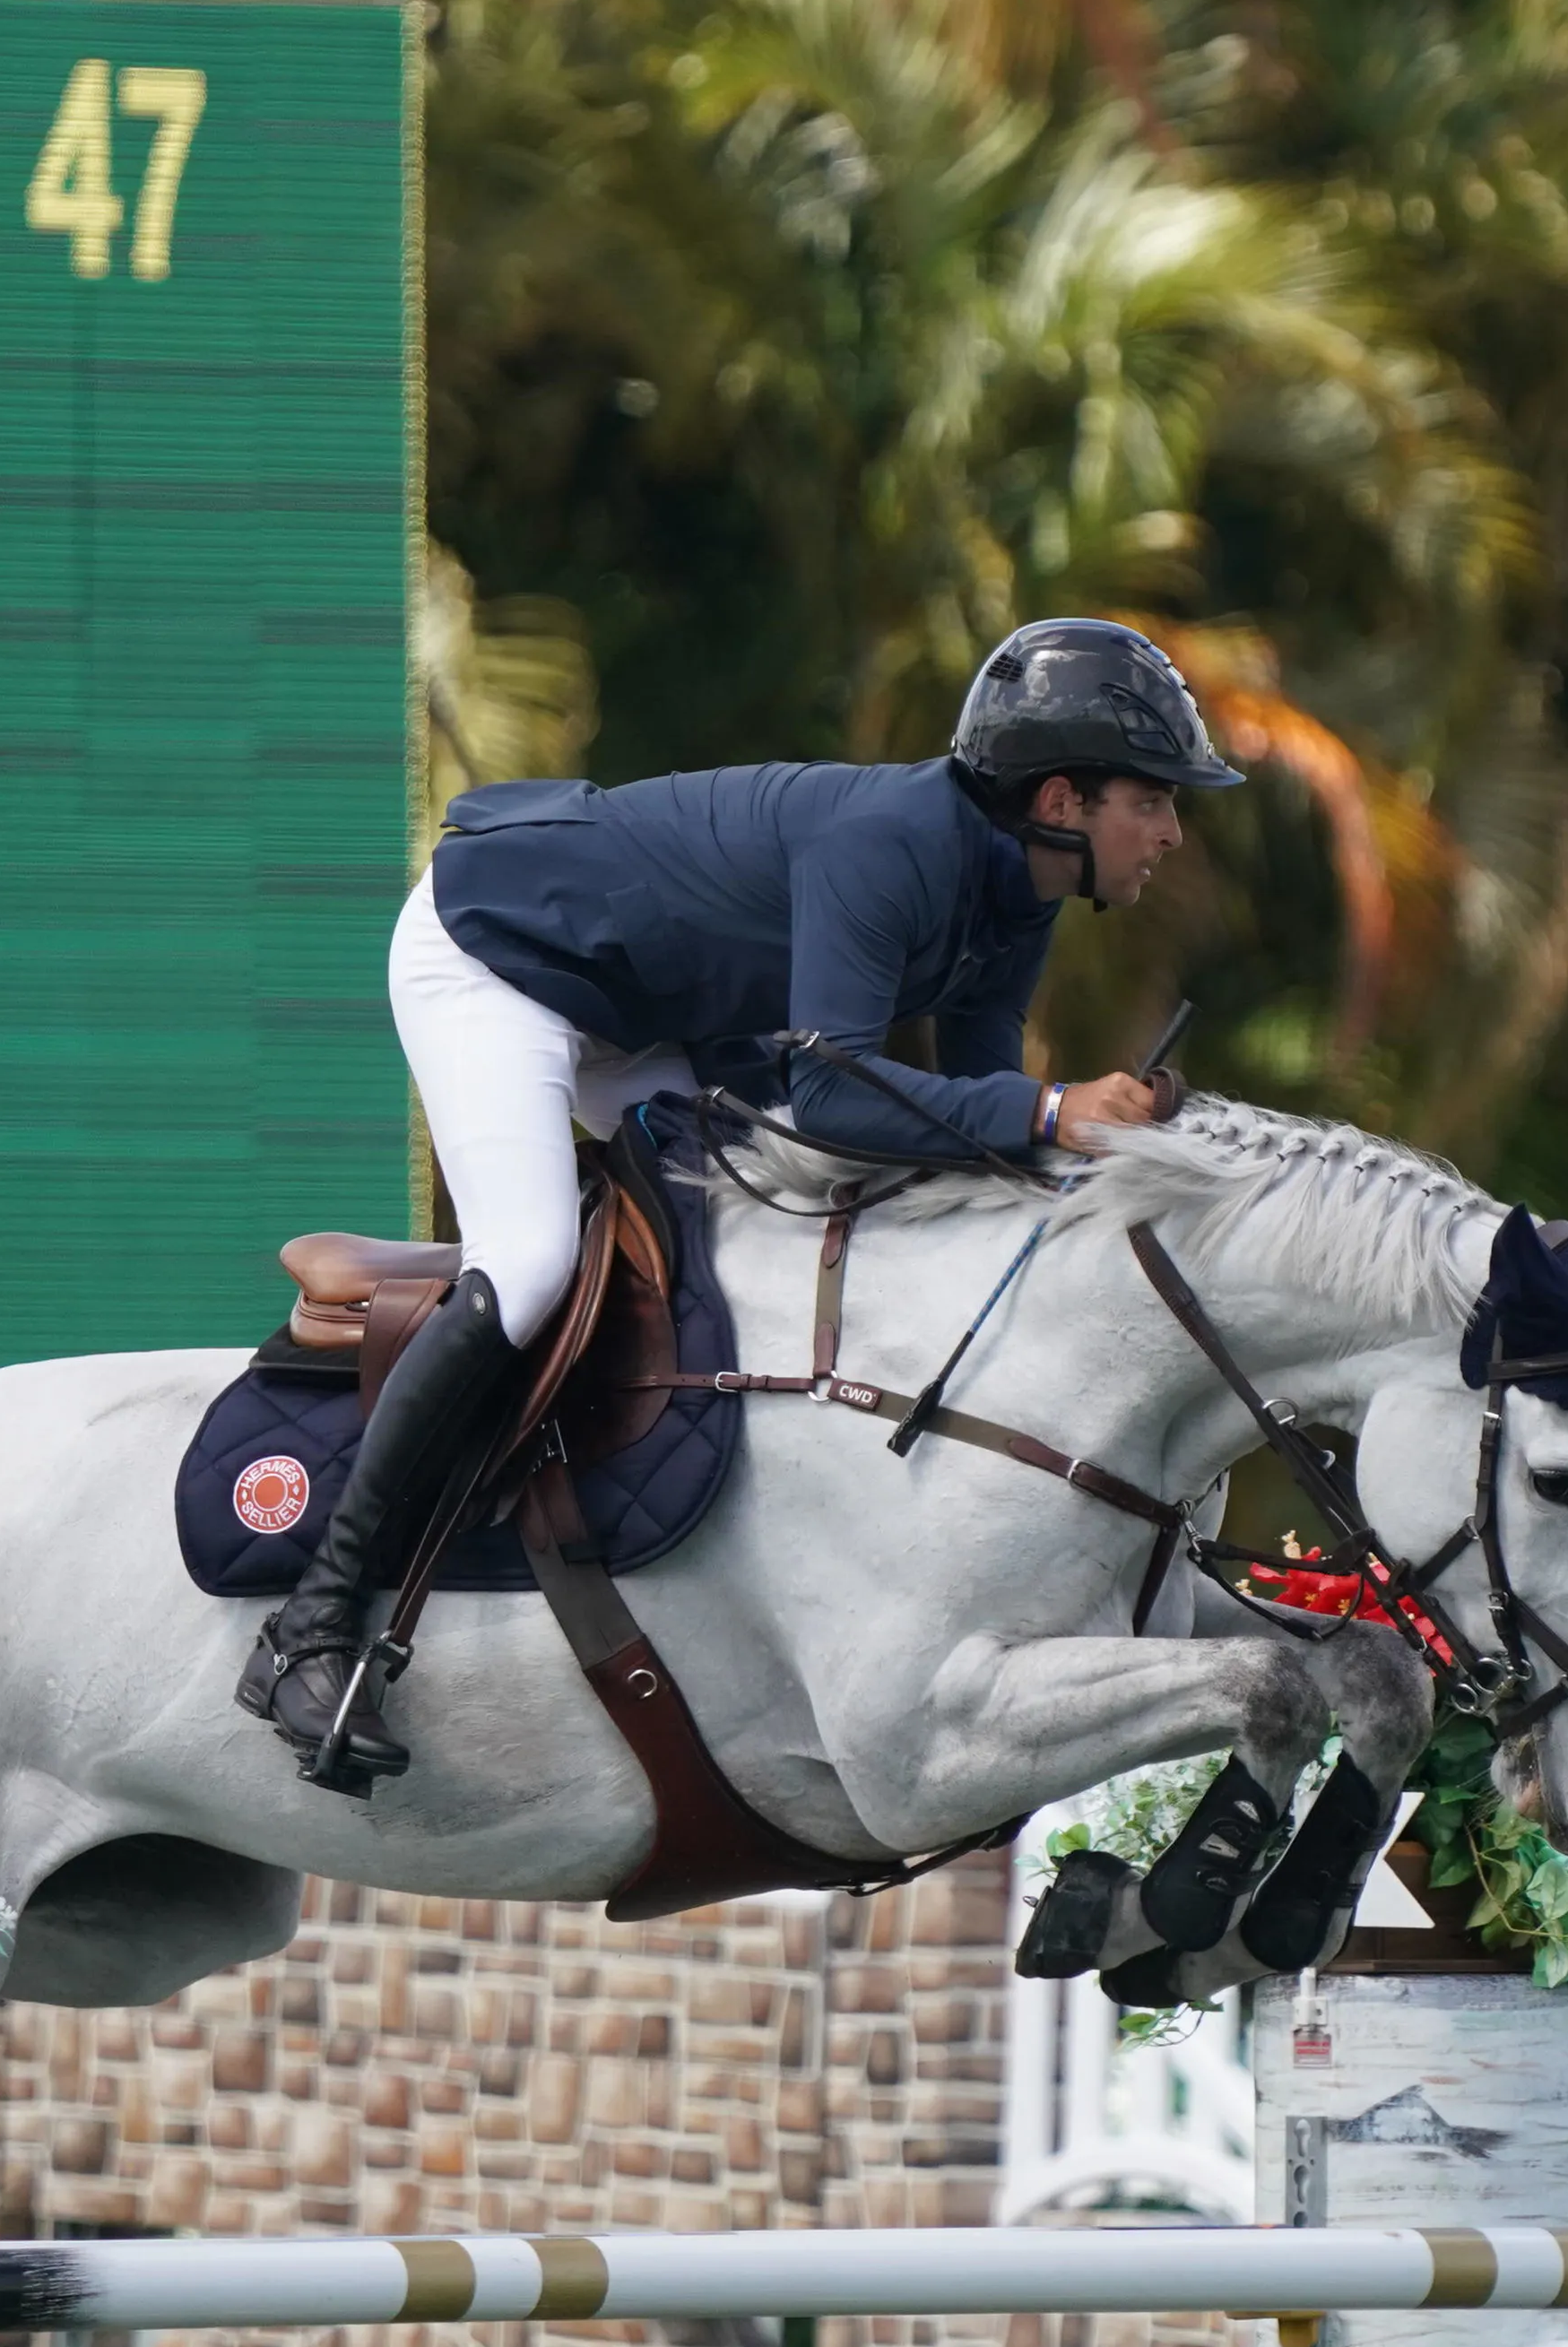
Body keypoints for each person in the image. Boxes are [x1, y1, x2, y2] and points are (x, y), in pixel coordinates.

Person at [238, 615, 1243, 1784]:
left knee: (769, 1240)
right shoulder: (891, 843)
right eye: (1156, 798)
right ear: (1064, 799)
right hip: (500, 953)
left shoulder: (1019, 890)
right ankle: (307, 1623)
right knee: (526, 1264)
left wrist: (1093, 1149)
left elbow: (966, 1109)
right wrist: (1052, 1111)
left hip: (657, 1012)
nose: (1172, 829)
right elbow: (831, 1092)